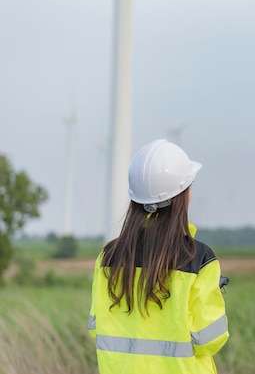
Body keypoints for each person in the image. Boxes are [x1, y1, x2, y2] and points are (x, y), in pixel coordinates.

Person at [88, 139, 229, 374]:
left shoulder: (108, 258)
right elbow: (210, 339)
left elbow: (95, 327)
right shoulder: (198, 259)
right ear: (182, 197)